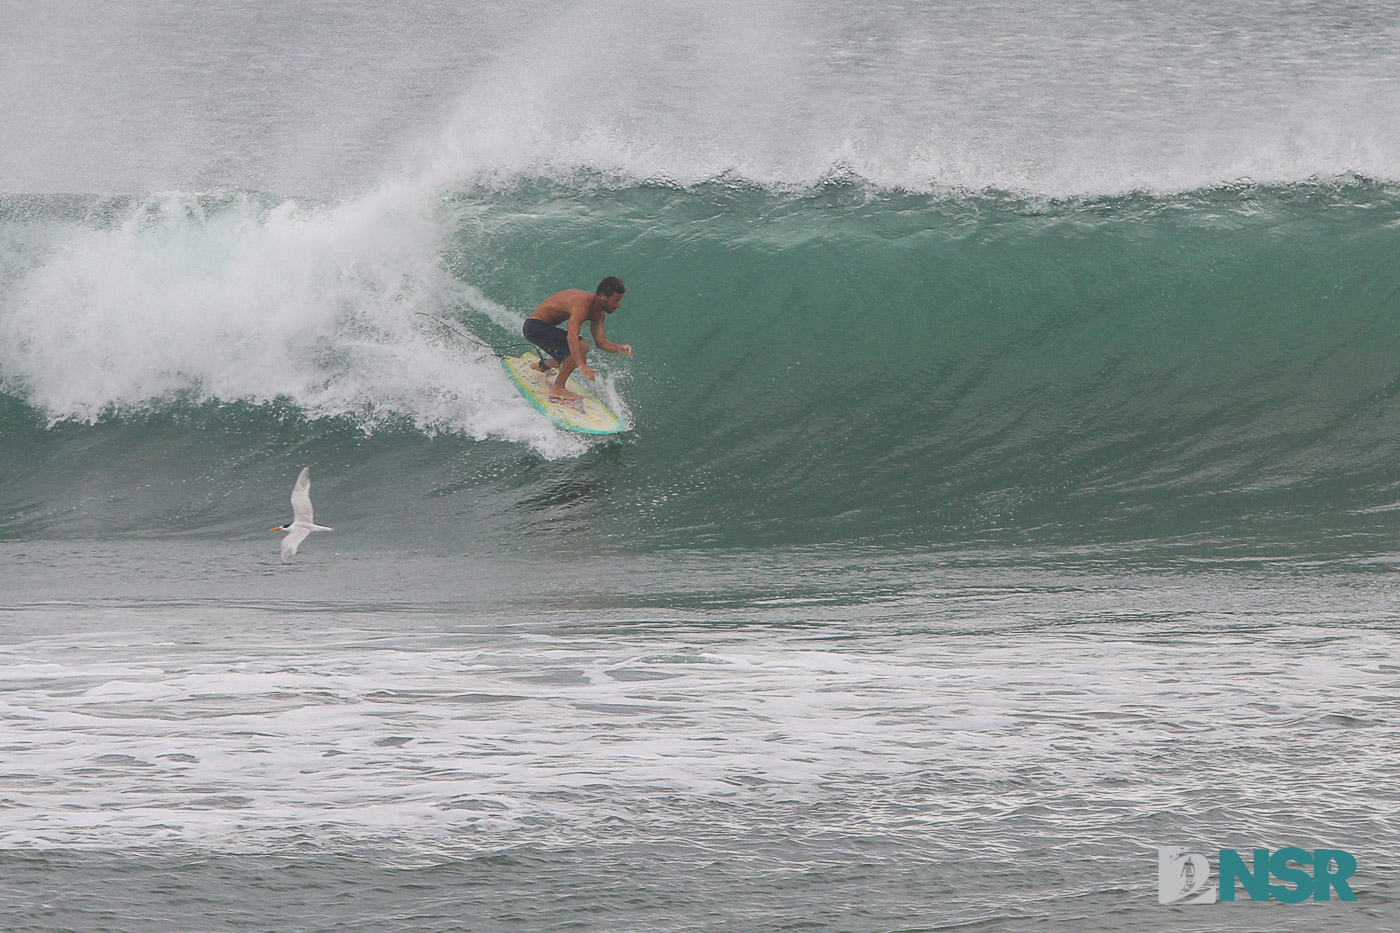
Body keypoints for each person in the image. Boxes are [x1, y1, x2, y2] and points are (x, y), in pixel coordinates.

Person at [522, 276, 632, 404]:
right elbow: (572, 336)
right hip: (534, 327)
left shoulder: (599, 313)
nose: (617, 305)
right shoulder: (582, 304)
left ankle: (541, 366)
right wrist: (581, 366)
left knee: (574, 358)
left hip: (544, 328)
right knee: (581, 347)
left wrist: (619, 348)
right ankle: (558, 389)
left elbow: (600, 341)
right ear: (603, 297)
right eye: (615, 300)